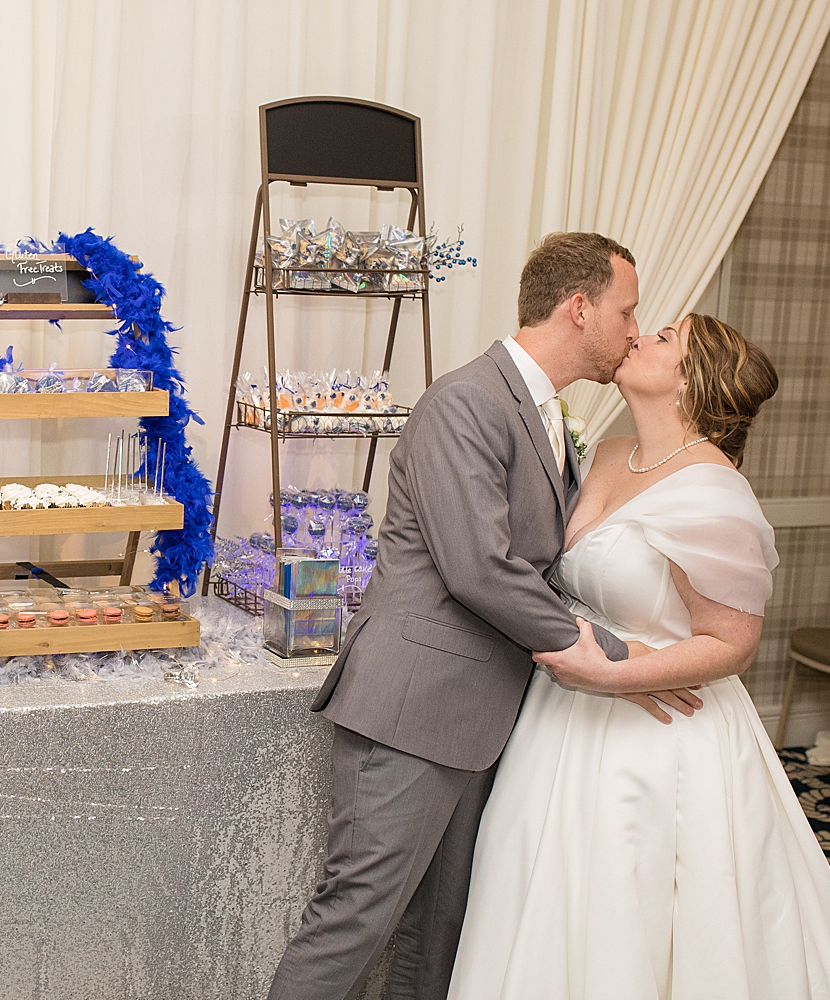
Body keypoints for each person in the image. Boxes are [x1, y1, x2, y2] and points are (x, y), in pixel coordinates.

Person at [268, 233, 701, 1000]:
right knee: (355, 920)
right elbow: (480, 569)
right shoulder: (464, 401)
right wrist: (611, 654)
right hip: (412, 707)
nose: (636, 330)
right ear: (579, 307)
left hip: (480, 715)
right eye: (626, 311)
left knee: (438, 933)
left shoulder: (547, 414)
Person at [445, 314, 830, 998]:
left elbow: (732, 643)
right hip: (560, 717)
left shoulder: (713, 491)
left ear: (688, 381)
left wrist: (614, 674)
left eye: (662, 338)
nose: (638, 337)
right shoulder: (608, 452)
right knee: (537, 883)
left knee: (635, 904)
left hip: (659, 733)